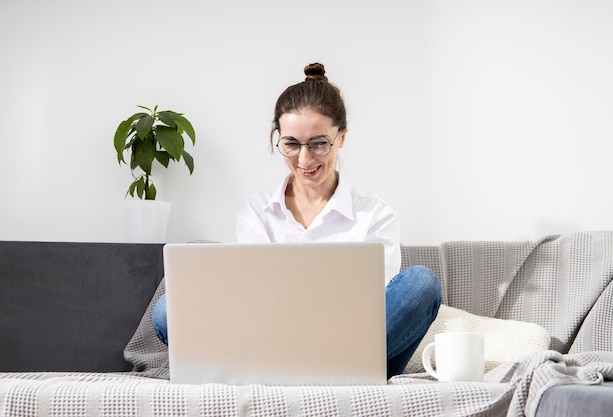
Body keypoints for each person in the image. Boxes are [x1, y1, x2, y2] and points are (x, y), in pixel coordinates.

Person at [152, 63, 442, 378]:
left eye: (319, 143)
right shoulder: (256, 211)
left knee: (421, 284)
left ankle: (290, 371)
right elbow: (251, 303)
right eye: (291, 143)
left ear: (341, 137)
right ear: (278, 138)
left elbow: (372, 312)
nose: (304, 160)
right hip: (268, 340)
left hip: (350, 347)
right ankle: (300, 370)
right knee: (168, 309)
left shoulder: (375, 214)